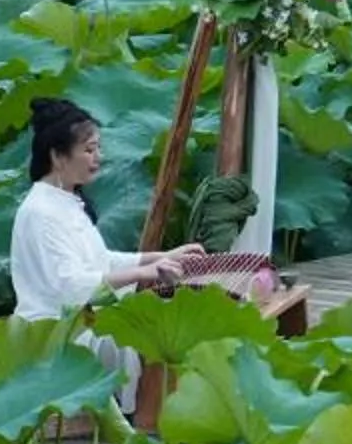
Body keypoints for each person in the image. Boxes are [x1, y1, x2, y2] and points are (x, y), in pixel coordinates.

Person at [11, 97, 207, 320]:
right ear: (57, 156)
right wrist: (143, 273)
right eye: (89, 150)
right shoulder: (41, 212)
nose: (99, 157)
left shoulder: (65, 200)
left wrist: (161, 257)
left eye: (98, 148)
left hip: (83, 319)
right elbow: (71, 287)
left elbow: (102, 261)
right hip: (54, 333)